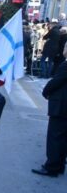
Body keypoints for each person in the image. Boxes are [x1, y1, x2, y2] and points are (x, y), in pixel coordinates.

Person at [33, 42, 67, 177]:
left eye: (65, 47)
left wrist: (45, 91)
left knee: (55, 137)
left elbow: (55, 82)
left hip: (61, 106)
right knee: (63, 138)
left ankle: (51, 166)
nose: (63, 49)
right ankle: (59, 165)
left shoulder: (66, 65)